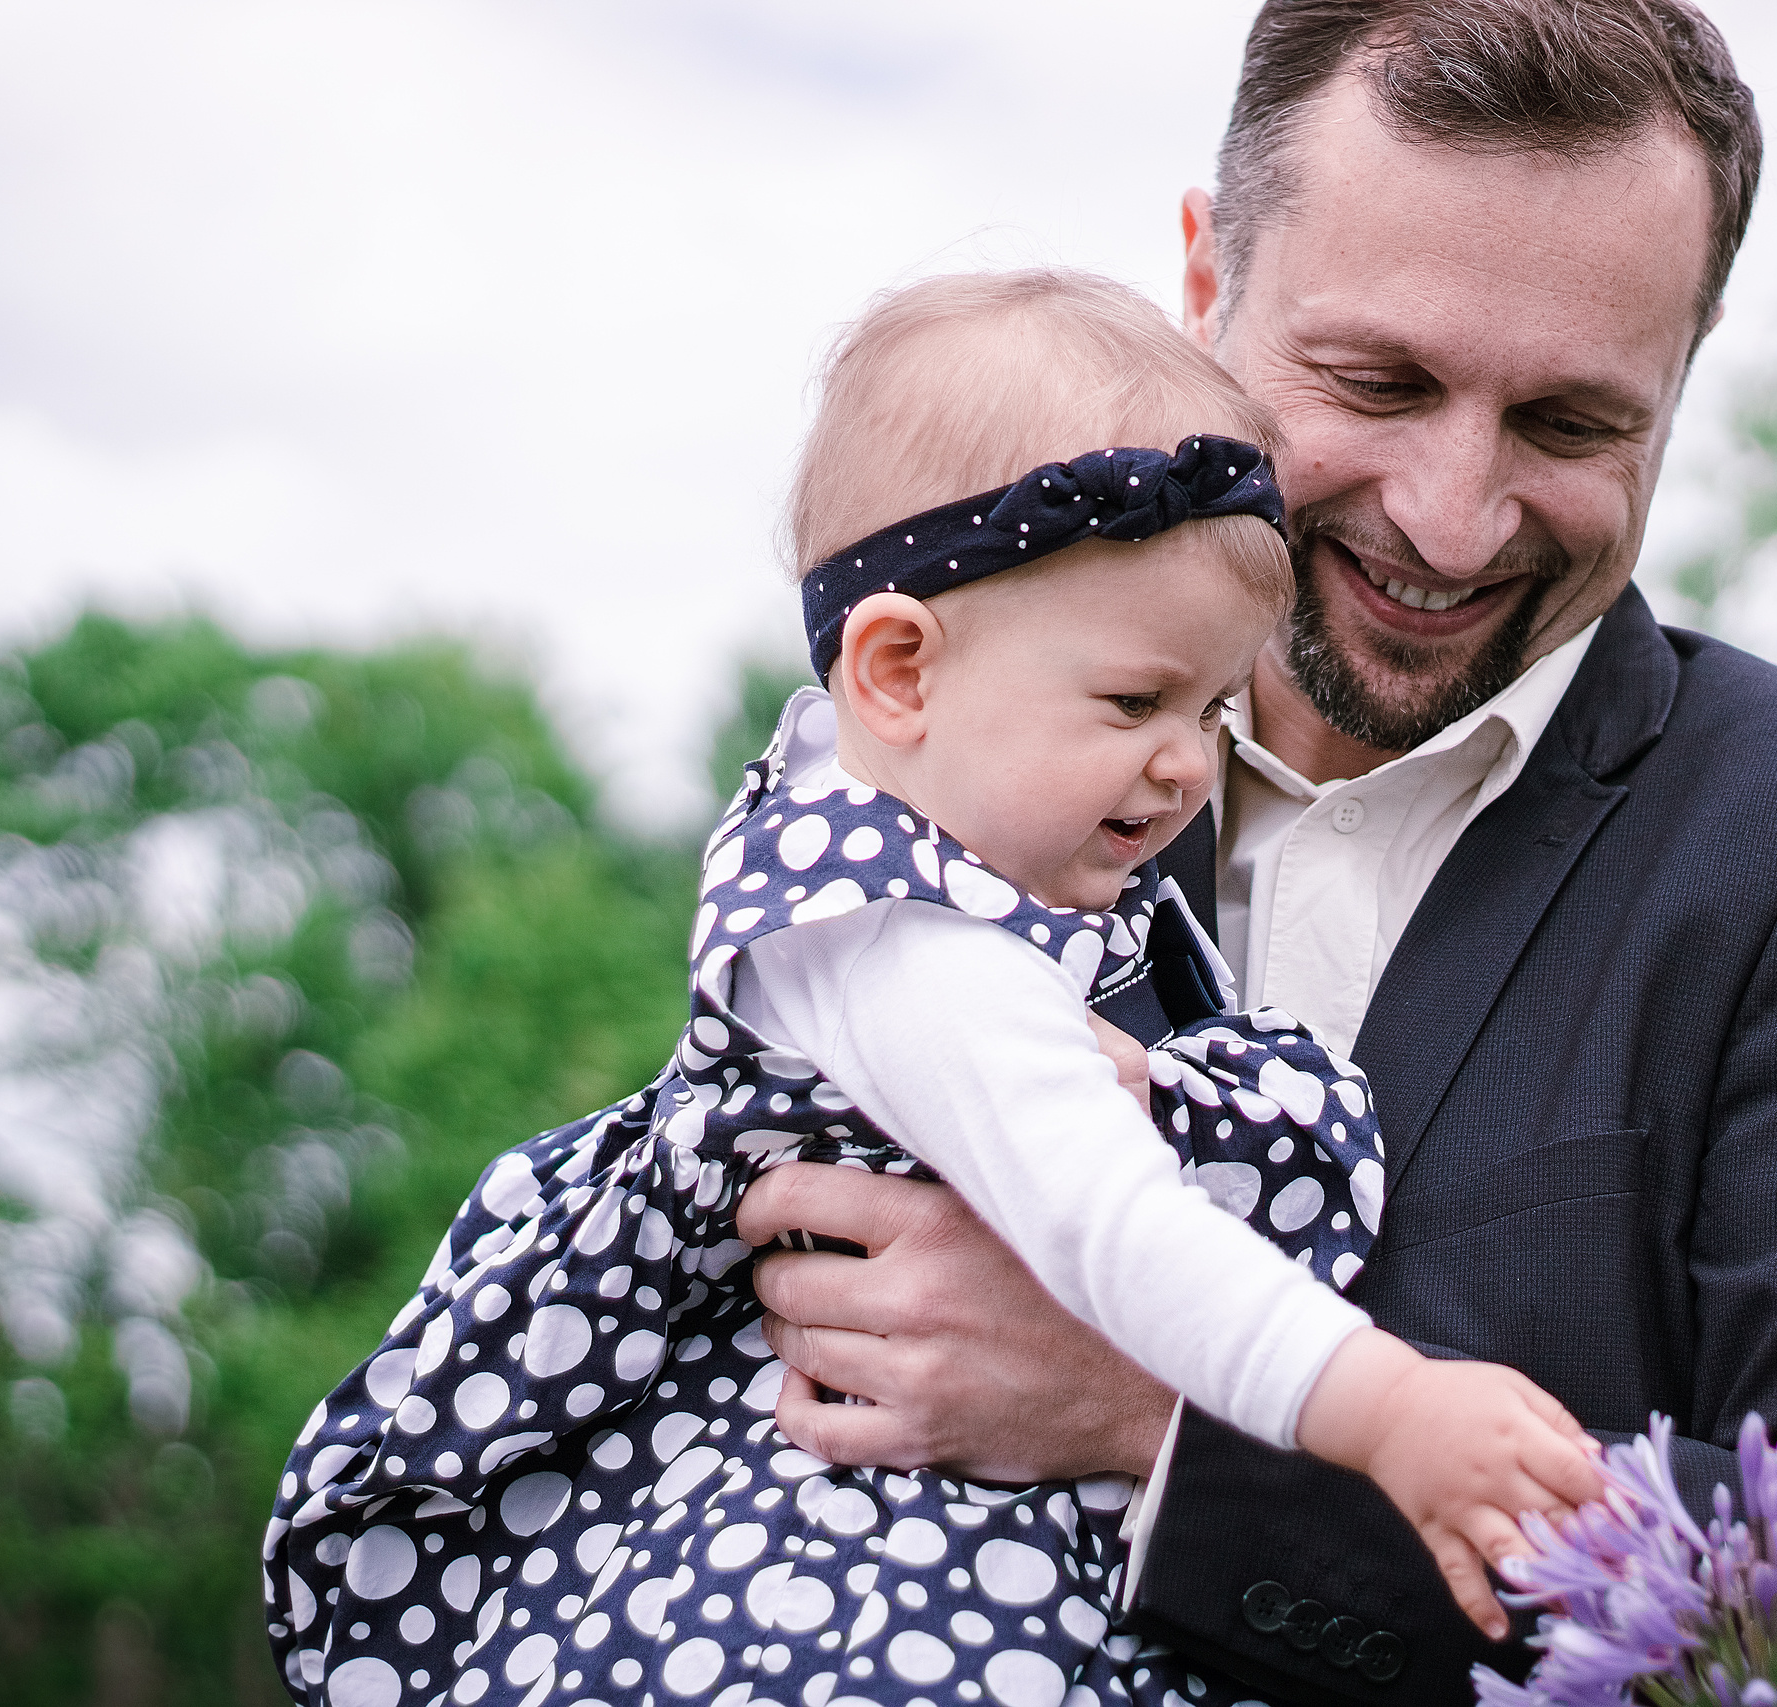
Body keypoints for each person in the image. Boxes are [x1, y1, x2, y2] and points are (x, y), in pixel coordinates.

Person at [739, 4, 1777, 1703]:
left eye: (1572, 424)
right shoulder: (954, 775)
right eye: (1377, 385)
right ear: (1205, 279)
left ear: (1685, 371)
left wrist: (1162, 1418)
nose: (1452, 520)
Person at [263, 271, 1603, 1707]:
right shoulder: (912, 950)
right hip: (858, 1585)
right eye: (1136, 701)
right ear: (899, 671)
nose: (1187, 763)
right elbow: (1111, 1230)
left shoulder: (906, 857)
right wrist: (1390, 1410)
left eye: (1214, 707)